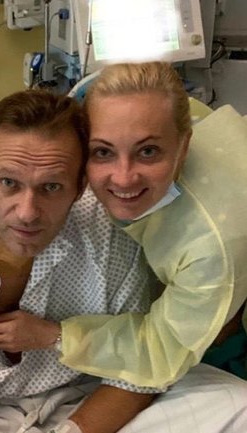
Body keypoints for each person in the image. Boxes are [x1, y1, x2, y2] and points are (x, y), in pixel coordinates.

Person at [0, 89, 247, 433]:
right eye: (8, 183)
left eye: (51, 187)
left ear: (80, 186)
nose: (27, 213)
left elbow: (138, 368)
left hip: (91, 394)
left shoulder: (107, 227)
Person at [20, 62, 247, 387]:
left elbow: (161, 352)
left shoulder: (211, 247)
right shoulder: (158, 108)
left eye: (148, 151)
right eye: (102, 152)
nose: (124, 178)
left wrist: (55, 336)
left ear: (183, 146)